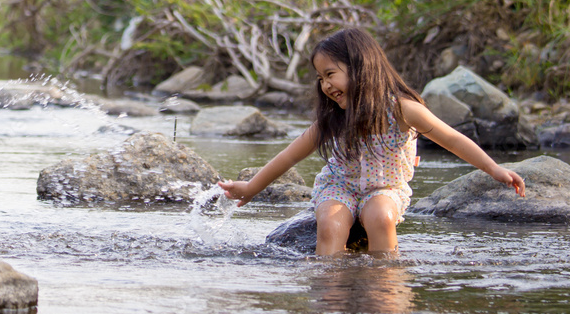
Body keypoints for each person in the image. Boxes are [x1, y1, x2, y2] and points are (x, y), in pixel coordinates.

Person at [218, 27, 525, 255]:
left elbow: (453, 140)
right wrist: (250, 187)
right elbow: (288, 157)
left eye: (330, 74)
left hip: (385, 186)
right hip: (339, 185)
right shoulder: (332, 120)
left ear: (361, 67)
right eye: (320, 78)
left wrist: (494, 169)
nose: (325, 85)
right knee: (330, 225)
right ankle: (330, 291)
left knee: (380, 217)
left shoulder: (402, 109)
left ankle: (386, 289)